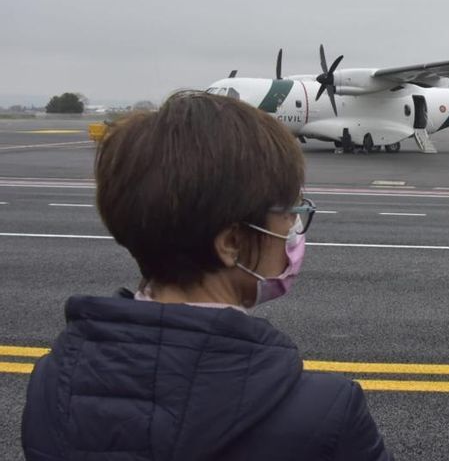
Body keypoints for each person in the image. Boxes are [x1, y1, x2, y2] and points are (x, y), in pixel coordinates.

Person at [21, 92, 393, 460]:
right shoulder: (326, 412)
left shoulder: (50, 382)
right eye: (290, 212)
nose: (295, 229)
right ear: (231, 242)